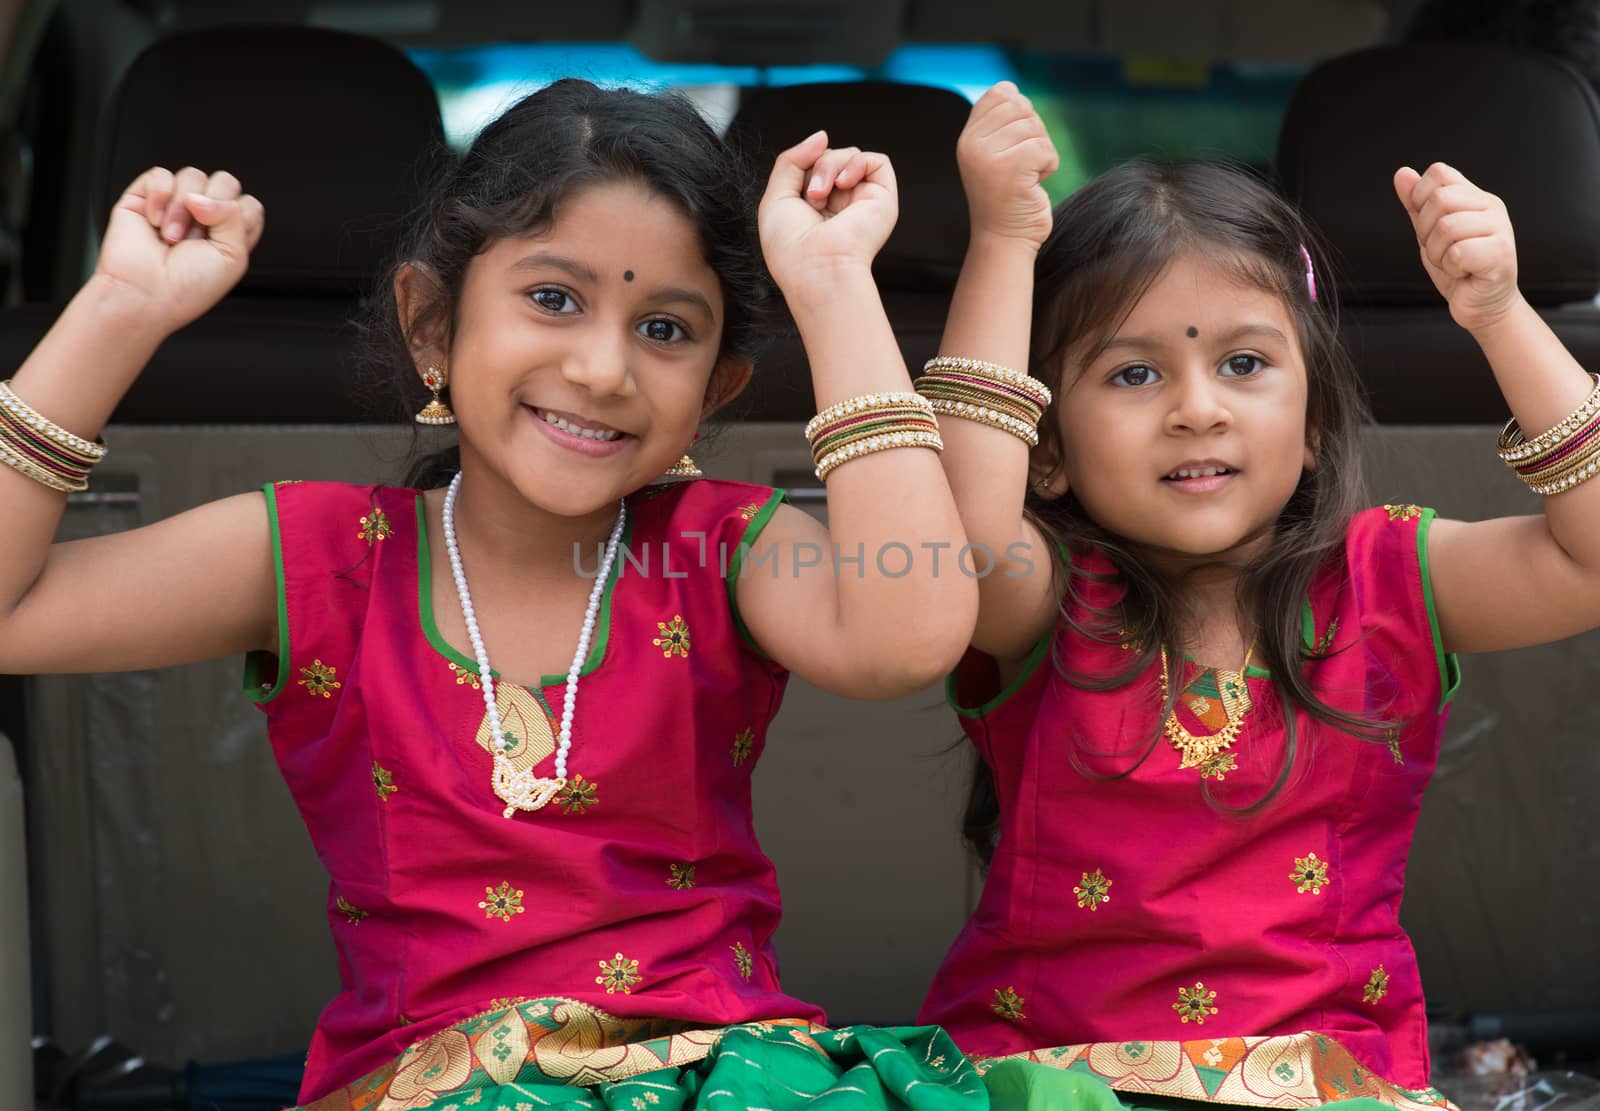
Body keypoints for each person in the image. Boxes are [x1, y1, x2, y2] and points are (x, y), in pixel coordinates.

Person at [0, 79, 988, 1109]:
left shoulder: (717, 546)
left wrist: (831, 287)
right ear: (431, 324)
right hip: (437, 1083)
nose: (603, 368)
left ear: (714, 391)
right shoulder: (321, 557)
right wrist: (120, 310)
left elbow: (905, 635)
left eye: (665, 330)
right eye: (553, 299)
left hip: (717, 1075)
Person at [911, 83, 1600, 1108]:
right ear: (1045, 450)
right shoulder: (1046, 598)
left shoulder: (1388, 579)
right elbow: (956, 539)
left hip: (1327, 1086)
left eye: (1242, 363)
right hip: (1050, 1079)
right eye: (1133, 375)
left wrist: (1497, 315)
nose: (1197, 410)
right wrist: (1004, 242)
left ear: (1318, 420)